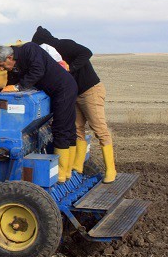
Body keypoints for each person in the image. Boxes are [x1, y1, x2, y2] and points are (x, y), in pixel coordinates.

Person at [31, 26, 115, 183]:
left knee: (99, 129)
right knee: (77, 129)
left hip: (90, 91)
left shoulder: (64, 45)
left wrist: (71, 68)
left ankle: (111, 170)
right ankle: (77, 167)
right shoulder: (50, 56)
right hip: (73, 94)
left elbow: (86, 52)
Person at [0, 43, 78, 183]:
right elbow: (12, 82)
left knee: (62, 128)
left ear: (10, 57)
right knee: (66, 128)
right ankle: (68, 170)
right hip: (55, 92)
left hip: (64, 89)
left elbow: (38, 70)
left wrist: (18, 87)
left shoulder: (30, 50)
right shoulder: (13, 66)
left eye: (1, 65)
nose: (1, 69)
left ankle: (62, 173)